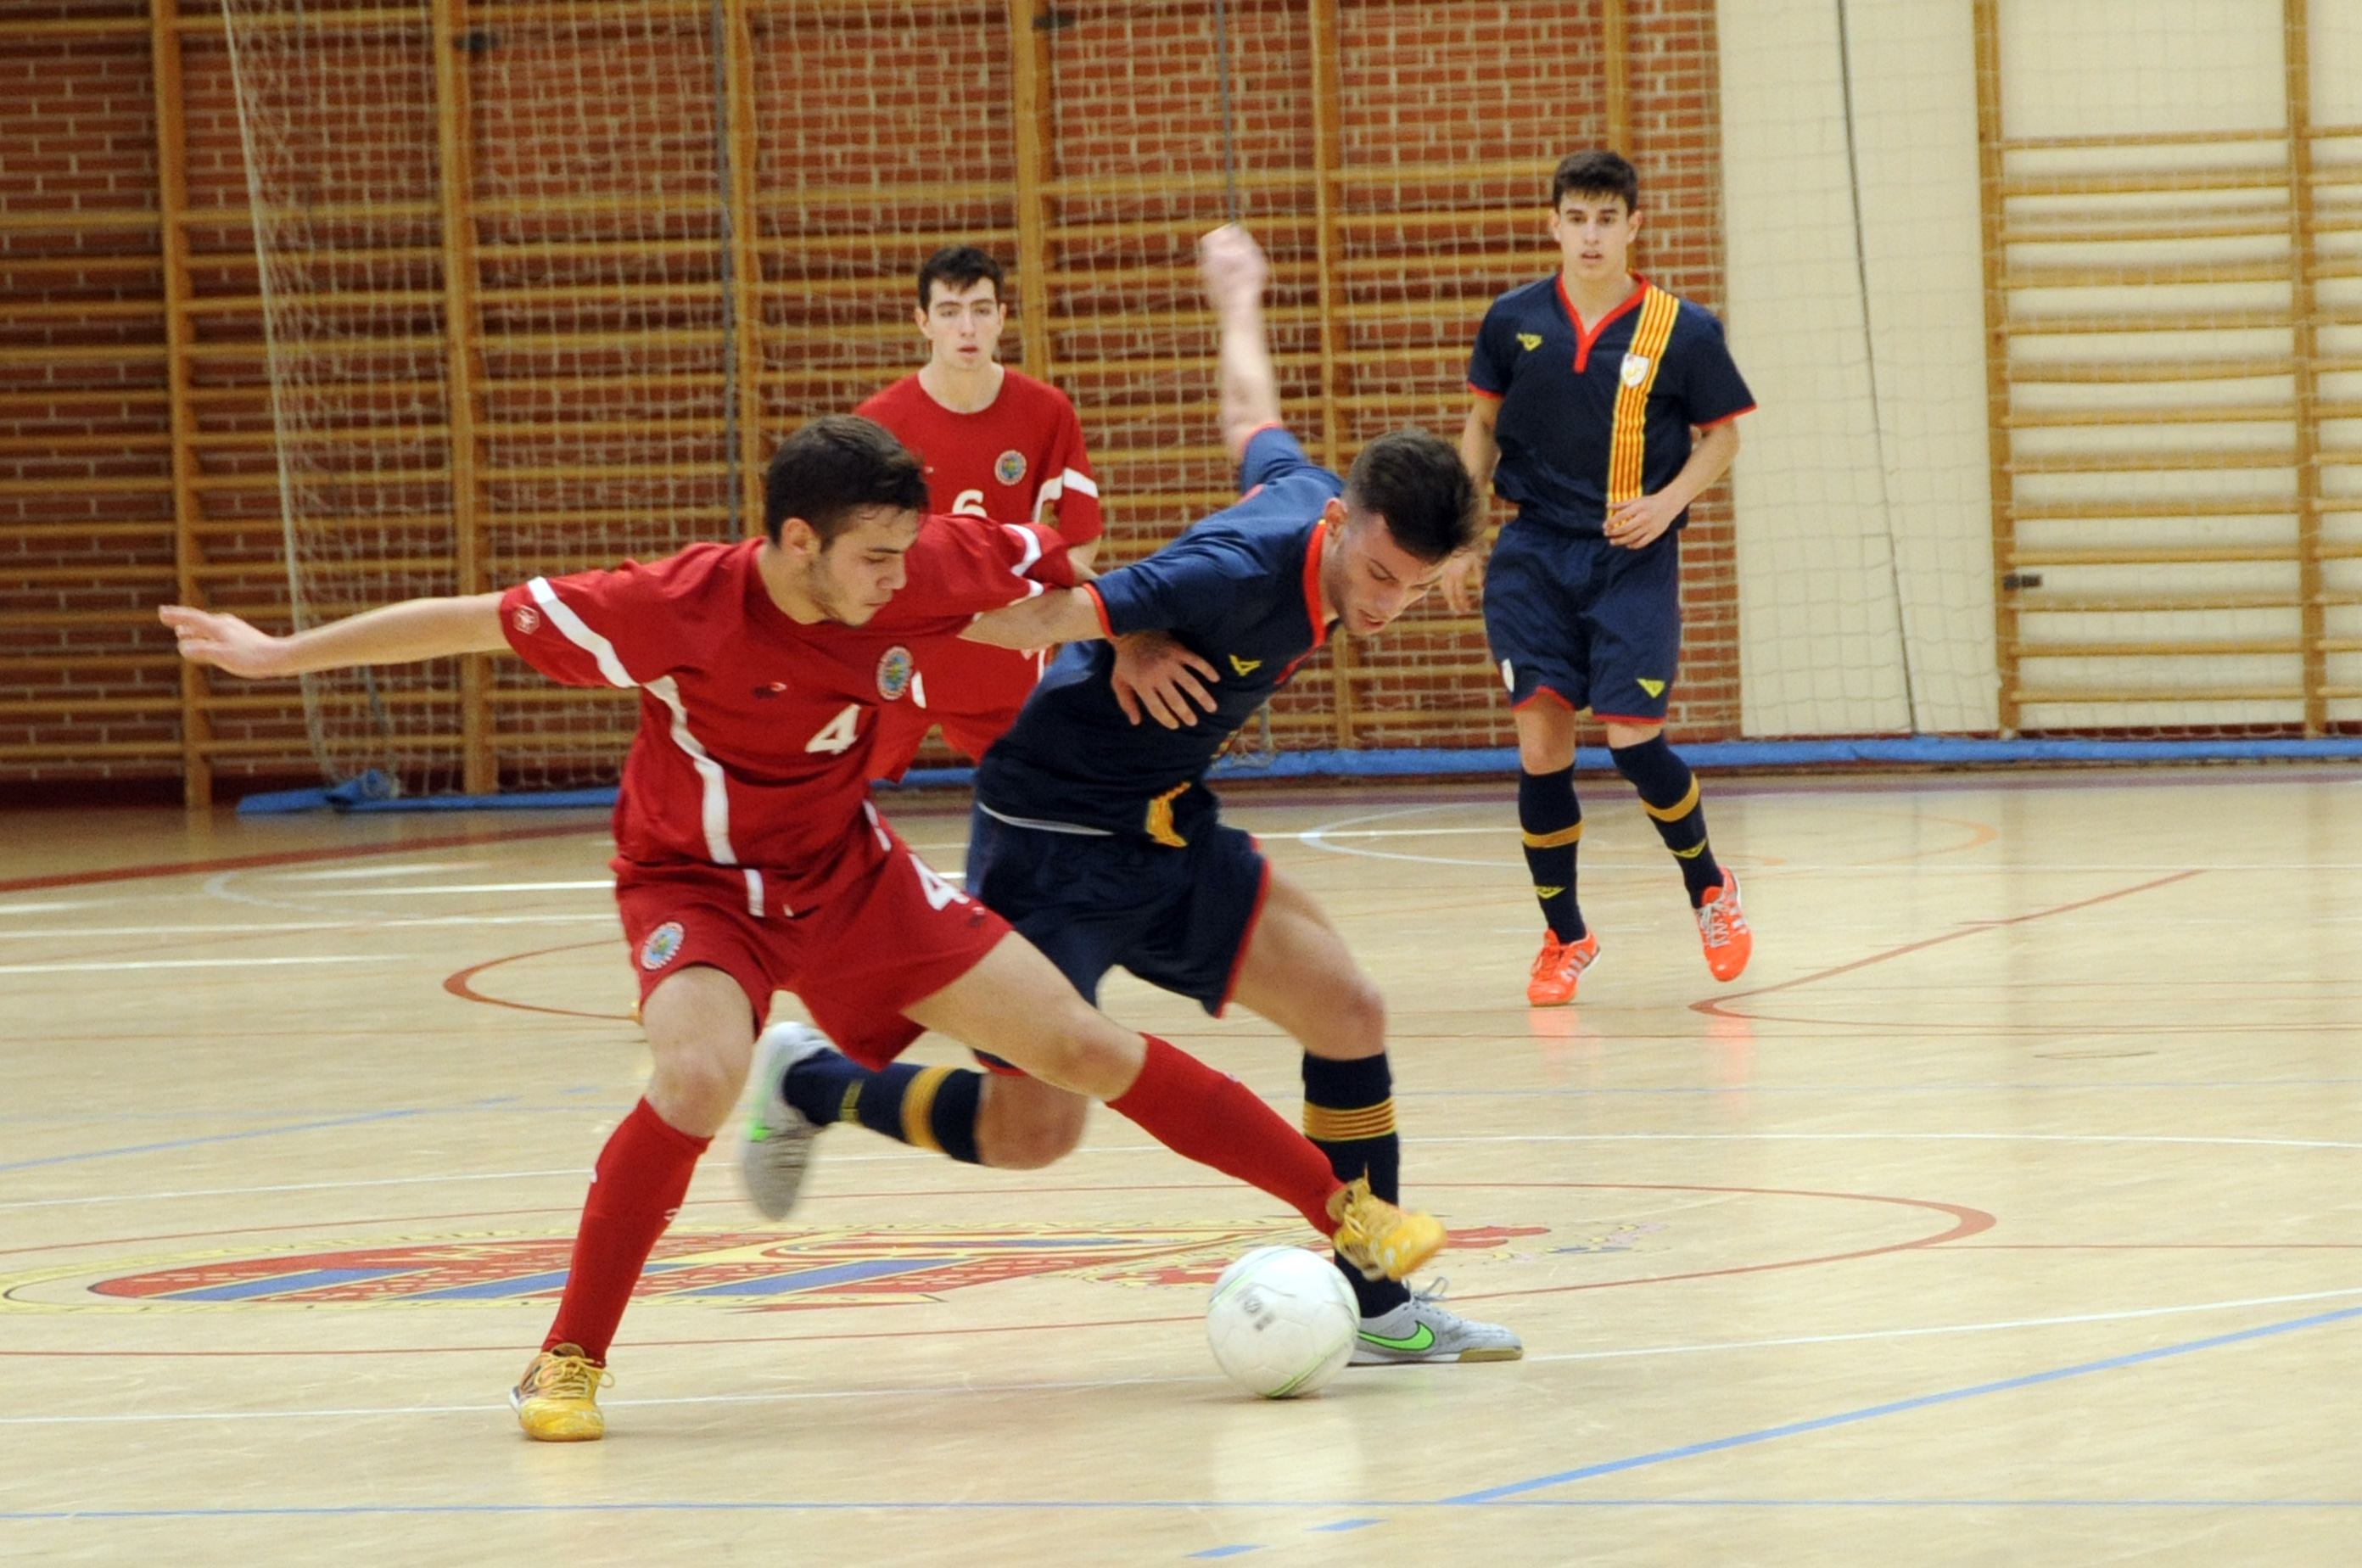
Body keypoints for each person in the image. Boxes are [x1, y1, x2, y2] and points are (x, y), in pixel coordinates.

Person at [157, 415, 1450, 1443]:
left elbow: (1067, 583)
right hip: (696, 885)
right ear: (791, 542)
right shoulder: (673, 607)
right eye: (873, 561)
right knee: (701, 1071)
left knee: (1077, 1045)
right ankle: (570, 1357)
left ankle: (1343, 1210)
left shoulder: (921, 560)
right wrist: (275, 658)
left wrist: (1129, 639)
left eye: (907, 555)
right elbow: (470, 622)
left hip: (851, 875)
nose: (903, 584)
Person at [740, 226, 1521, 1367]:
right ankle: (812, 1080)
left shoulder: (1309, 491)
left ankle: (1382, 1305)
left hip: (1162, 821)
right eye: (1382, 576)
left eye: (1418, 586)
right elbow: (1039, 616)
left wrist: (1238, 296)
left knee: (1349, 1010)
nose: (1390, 605)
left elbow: (1249, 412)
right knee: (1033, 1132)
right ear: (1345, 525)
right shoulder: (1237, 572)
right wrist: (1089, 630)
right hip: (1051, 835)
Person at [1457, 148, 1758, 1007]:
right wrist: (1460, 538)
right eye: (1576, 218)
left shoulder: (1683, 329)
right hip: (1533, 555)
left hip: (1631, 557)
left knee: (1633, 743)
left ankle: (1709, 886)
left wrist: (1666, 505)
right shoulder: (1513, 321)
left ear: (1634, 226)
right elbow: (1479, 428)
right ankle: (1565, 935)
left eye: (1606, 219)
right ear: (1553, 224)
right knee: (1541, 747)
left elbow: (1724, 438)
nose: (1590, 235)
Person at [856, 245, 1103, 776]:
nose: (967, 327)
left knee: (1052, 806)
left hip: (1008, 664)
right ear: (923, 321)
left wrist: (1050, 621)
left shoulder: (1047, 413)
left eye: (981, 309)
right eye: (949, 312)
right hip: (902, 657)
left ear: (1002, 318)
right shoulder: (877, 425)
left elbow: (1082, 537)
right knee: (828, 796)